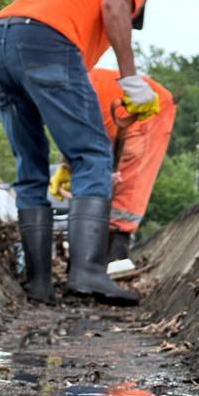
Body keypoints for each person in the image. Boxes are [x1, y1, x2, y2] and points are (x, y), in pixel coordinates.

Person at [0, 0, 154, 304]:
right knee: (94, 155)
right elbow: (114, 6)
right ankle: (88, 273)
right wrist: (131, 80)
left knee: (29, 168)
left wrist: (65, 164)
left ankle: (40, 285)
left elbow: (69, 108)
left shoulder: (71, 3)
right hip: (43, 40)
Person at [50, 69, 176, 273]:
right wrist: (66, 166)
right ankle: (93, 262)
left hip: (149, 107)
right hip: (116, 114)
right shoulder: (57, 91)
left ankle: (117, 255)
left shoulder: (67, 91)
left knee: (130, 180)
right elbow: (72, 136)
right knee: (101, 182)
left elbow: (80, 139)